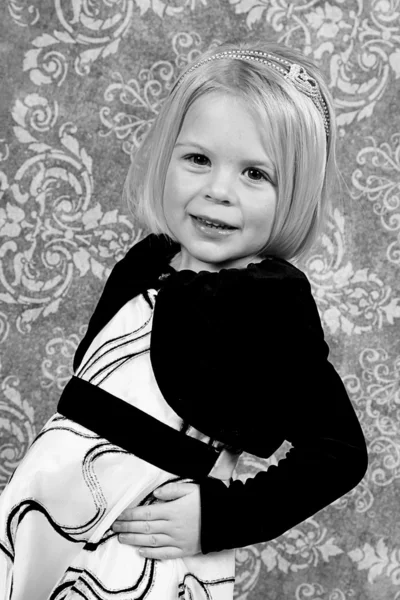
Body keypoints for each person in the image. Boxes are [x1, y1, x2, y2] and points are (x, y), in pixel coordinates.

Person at [0, 38, 368, 600]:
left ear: (293, 193)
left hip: (139, 550)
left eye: (255, 174)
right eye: (198, 159)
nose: (218, 191)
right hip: (48, 506)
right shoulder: (145, 262)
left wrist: (217, 517)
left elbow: (339, 452)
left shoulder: (270, 303)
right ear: (166, 158)